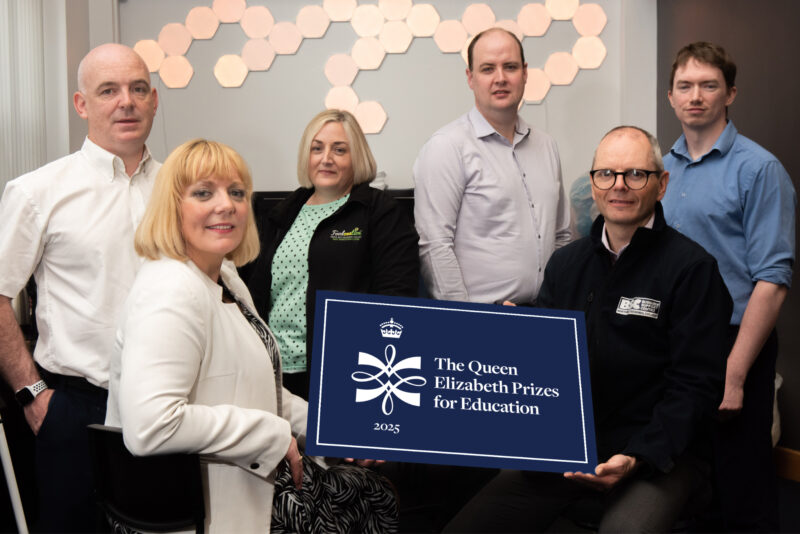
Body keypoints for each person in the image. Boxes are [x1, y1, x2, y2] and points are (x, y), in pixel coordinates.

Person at [445, 126, 733, 532]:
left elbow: (695, 387)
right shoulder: (566, 264)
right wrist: (515, 338)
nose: (619, 186)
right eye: (606, 174)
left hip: (656, 456)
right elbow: (544, 366)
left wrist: (637, 457)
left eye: (636, 174)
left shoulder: (691, 270)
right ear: (593, 183)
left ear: (661, 184)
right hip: (568, 450)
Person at [105, 139, 308, 532]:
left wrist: (329, 427)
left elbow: (259, 388)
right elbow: (150, 426)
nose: (226, 204)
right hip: (196, 518)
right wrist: (269, 434)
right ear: (172, 207)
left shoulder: (225, 277)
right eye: (203, 192)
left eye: (236, 192)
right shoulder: (171, 289)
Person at [0, 43, 159, 531]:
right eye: (108, 90)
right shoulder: (37, 192)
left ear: (154, 99)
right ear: (81, 104)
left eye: (137, 89)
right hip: (74, 409)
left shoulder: (182, 189)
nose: (125, 102)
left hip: (171, 406)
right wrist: (34, 395)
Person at [662, 41, 796, 532]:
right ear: (671, 96)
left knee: (743, 491)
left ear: (730, 94)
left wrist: (734, 375)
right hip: (676, 348)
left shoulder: (759, 169)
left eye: (709, 85)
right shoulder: (661, 169)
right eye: (685, 86)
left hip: (734, 345)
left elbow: (773, 281)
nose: (695, 95)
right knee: (685, 486)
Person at [246, 109, 419, 399]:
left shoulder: (379, 211)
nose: (326, 158)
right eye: (317, 148)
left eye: (339, 149)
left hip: (343, 370)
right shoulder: (282, 213)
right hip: (274, 370)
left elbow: (397, 295)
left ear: (357, 157)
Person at [413, 27, 571, 304]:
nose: (500, 78)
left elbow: (562, 235)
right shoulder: (446, 147)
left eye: (509, 67)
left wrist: (555, 299)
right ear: (470, 78)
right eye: (488, 69)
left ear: (524, 73)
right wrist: (465, 318)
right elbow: (435, 246)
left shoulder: (547, 146)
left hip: (544, 313)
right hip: (480, 320)